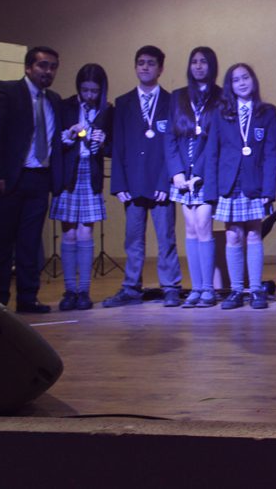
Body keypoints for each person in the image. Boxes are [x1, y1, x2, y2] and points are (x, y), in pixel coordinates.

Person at [0, 46, 62, 313]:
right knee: (1, 242)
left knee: (30, 242)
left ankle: (28, 298)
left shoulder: (54, 99)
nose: (48, 71)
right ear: (28, 67)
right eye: (43, 65)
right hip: (9, 179)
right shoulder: (7, 90)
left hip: (39, 179)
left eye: (53, 67)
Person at [105, 45, 182, 308]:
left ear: (161, 68)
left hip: (161, 183)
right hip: (133, 182)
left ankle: (170, 286)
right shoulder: (123, 102)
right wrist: (119, 183)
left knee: (166, 238)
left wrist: (166, 181)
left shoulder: (172, 102)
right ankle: (131, 288)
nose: (145, 67)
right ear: (135, 66)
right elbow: (118, 145)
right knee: (133, 239)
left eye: (151, 63)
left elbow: (174, 146)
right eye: (141, 62)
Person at [205, 63, 276, 310]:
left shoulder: (267, 112)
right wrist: (211, 192)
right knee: (233, 234)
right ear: (230, 86)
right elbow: (212, 153)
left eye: (245, 78)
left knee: (254, 233)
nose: (242, 83)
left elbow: (271, 153)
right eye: (236, 80)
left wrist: (269, 190)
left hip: (254, 182)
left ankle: (256, 290)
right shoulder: (221, 113)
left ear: (253, 80)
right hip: (229, 183)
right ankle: (237, 291)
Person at [50, 63, 112, 311]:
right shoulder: (65, 106)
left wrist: (102, 141)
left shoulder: (107, 110)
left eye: (94, 91)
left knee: (86, 232)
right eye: (85, 90)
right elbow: (54, 142)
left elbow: (112, 147)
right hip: (69, 174)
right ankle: (69, 291)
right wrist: (70, 134)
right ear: (79, 87)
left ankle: (84, 291)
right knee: (69, 233)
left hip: (91, 174)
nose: (89, 95)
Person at [165, 47, 220, 308]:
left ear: (212, 66)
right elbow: (170, 137)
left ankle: (208, 289)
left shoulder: (220, 96)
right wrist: (176, 173)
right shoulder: (178, 96)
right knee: (190, 228)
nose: (198, 66)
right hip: (182, 176)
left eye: (203, 62)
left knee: (203, 225)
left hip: (206, 174)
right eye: (194, 62)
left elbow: (219, 141)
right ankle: (196, 289)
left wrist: (200, 174)